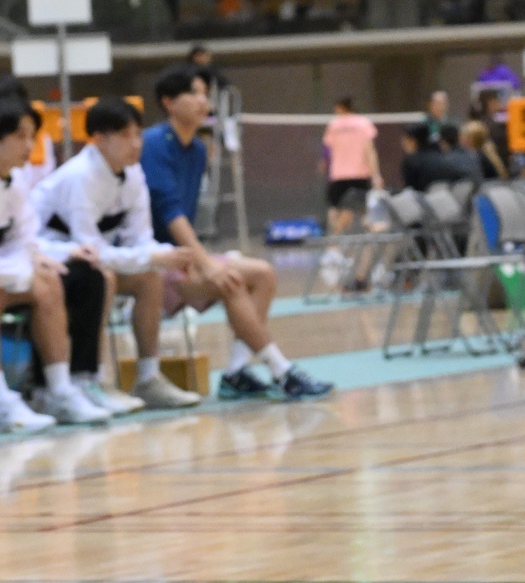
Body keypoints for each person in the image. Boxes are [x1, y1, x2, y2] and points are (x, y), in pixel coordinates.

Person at [145, 67, 329, 399]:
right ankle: (281, 370)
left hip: (184, 257)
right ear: (168, 102)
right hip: (152, 260)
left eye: (206, 94)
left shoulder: (197, 151)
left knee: (263, 274)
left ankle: (236, 372)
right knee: (229, 280)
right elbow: (169, 212)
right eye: (194, 93)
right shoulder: (154, 144)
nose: (203, 101)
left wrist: (200, 260)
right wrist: (206, 264)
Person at [31, 97, 201, 412]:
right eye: (124, 135)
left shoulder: (133, 174)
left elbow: (141, 240)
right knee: (104, 277)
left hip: (89, 259)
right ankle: (92, 377)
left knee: (150, 277)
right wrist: (150, 257)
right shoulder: (81, 176)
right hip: (52, 257)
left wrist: (169, 255)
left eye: (138, 134)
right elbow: (91, 252)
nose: (136, 144)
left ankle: (148, 377)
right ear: (98, 139)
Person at [321, 95, 378, 234]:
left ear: (341, 107)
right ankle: (372, 240)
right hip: (360, 175)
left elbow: (327, 151)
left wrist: (325, 167)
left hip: (339, 175)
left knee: (335, 209)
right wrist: (376, 174)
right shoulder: (363, 123)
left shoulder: (333, 125)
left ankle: (333, 242)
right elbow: (370, 151)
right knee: (365, 211)